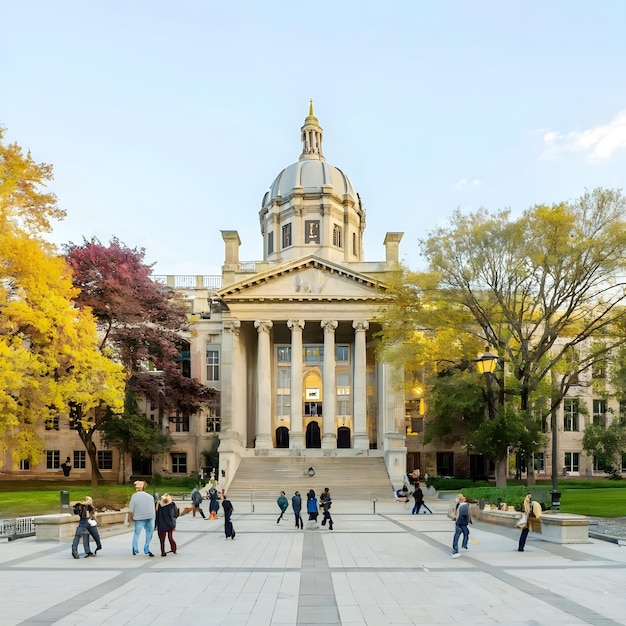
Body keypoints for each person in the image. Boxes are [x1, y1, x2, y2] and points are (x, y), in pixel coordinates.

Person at [129, 480, 156, 556]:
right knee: (149, 534)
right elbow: (153, 509)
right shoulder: (150, 497)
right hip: (150, 517)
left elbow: (131, 509)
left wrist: (131, 518)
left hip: (139, 518)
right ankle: (146, 548)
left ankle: (135, 548)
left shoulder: (134, 496)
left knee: (137, 533)